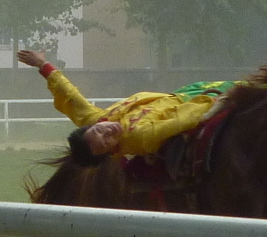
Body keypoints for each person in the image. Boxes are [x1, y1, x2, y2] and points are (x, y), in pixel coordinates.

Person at [17, 49, 236, 165]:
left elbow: (71, 97)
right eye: (104, 144)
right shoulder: (140, 137)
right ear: (111, 152)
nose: (106, 133)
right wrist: (216, 100)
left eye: (98, 131)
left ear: (93, 126)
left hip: (185, 91)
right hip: (197, 100)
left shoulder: (100, 119)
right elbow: (183, 120)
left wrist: (43, 65)